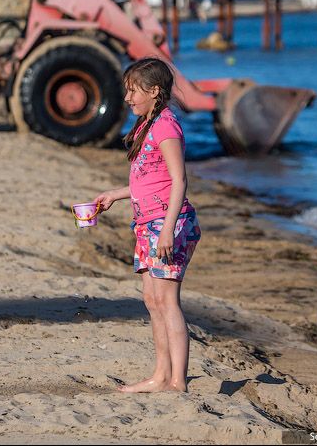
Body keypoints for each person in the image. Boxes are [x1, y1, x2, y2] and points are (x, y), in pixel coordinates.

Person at [93, 58, 201, 393]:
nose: (127, 98)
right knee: (152, 301)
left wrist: (168, 230)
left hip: (168, 224)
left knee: (167, 301)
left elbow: (179, 180)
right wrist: (116, 194)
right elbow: (149, 182)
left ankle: (177, 382)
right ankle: (159, 376)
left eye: (132, 90)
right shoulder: (147, 124)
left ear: (154, 91)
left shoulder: (166, 125)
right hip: (147, 223)